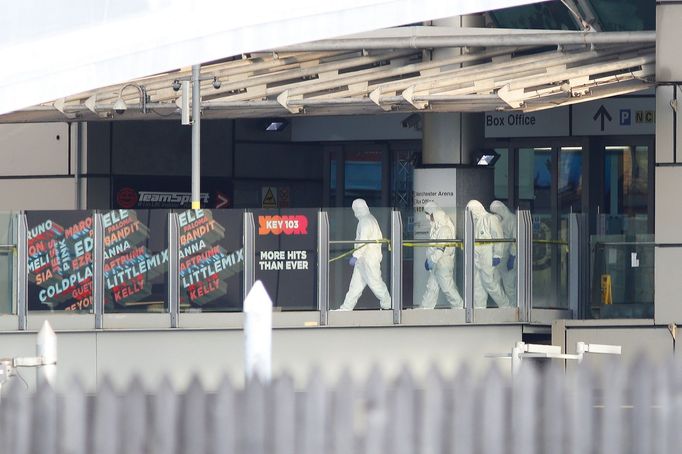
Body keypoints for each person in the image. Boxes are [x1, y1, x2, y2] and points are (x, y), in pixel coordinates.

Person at [337, 199, 392, 311]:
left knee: (375, 283)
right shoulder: (369, 219)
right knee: (355, 286)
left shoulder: (365, 221)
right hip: (363, 259)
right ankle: (346, 308)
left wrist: (356, 255)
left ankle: (388, 305)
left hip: (368, 258)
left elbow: (363, 241)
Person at [466, 200, 509, 308]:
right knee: (477, 285)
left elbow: (498, 237)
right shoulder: (474, 222)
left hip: (488, 256)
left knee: (490, 283)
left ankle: (505, 306)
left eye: (471, 210)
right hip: (477, 257)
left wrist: (497, 255)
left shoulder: (490, 218)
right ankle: (479, 309)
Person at [419, 207, 464, 309]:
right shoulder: (439, 229)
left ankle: (460, 308)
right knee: (432, 287)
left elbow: (440, 249)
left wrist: (431, 261)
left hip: (442, 262)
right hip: (437, 262)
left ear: (438, 217)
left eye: (432, 217)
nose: (431, 220)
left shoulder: (444, 230)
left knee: (448, 288)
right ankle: (425, 309)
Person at [489, 200, 517, 304]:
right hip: (500, 259)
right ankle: (504, 306)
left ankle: (514, 308)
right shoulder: (497, 222)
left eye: (496, 212)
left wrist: (512, 257)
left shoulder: (513, 220)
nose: (495, 215)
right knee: (494, 283)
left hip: (510, 259)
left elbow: (515, 241)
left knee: (509, 286)